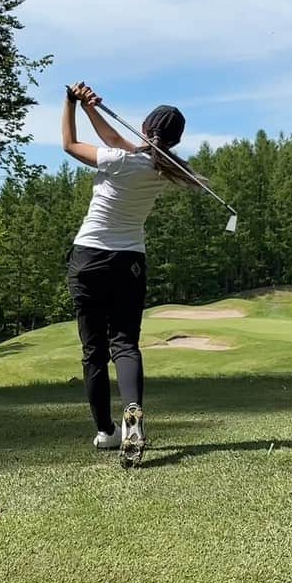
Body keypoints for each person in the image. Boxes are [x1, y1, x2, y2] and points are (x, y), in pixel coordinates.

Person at [62, 82, 197, 467]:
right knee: (125, 344)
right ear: (175, 139)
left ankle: (106, 431)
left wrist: (69, 104)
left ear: (146, 125)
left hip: (89, 257)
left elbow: (70, 146)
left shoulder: (123, 161)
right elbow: (117, 139)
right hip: (130, 261)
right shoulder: (163, 168)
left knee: (94, 352)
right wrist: (92, 108)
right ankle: (132, 409)